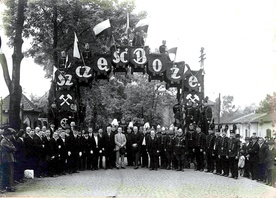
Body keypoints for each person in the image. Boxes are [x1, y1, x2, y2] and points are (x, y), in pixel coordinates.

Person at [1, 127, 16, 192]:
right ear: (7, 135)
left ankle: (9, 186)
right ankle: (7, 186)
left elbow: (14, 148)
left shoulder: (8, 141)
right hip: (6, 159)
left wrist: (12, 148)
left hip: (10, 158)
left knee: (10, 173)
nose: (11, 136)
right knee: (7, 173)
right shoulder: (4, 141)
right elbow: (10, 148)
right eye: (10, 135)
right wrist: (12, 148)